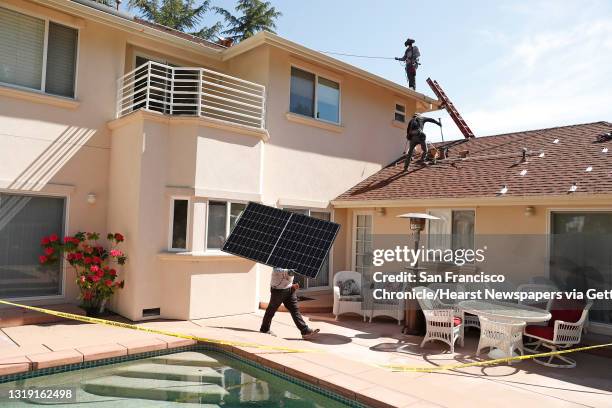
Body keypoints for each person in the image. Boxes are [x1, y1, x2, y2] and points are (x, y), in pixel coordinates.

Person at [260, 267, 320, 339]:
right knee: (271, 310)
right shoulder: (277, 264)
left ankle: (305, 331)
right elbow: (280, 271)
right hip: (278, 291)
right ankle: (264, 329)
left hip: (290, 289)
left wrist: (295, 282)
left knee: (295, 310)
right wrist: (290, 272)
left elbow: (293, 271)